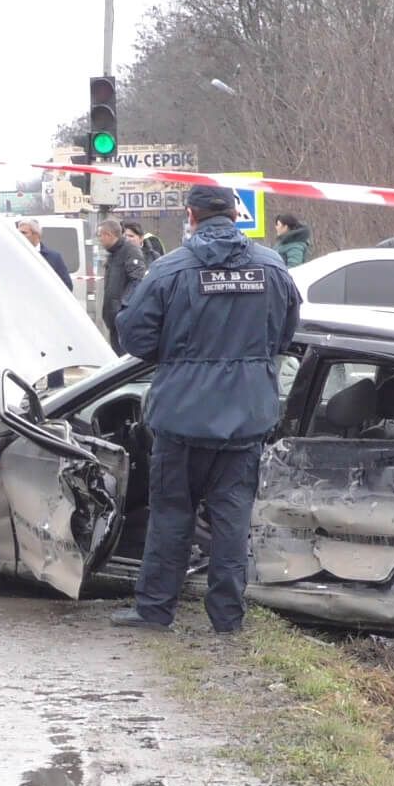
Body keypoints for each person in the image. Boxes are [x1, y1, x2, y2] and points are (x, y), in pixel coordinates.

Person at [111, 185, 302, 635]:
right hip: (246, 417)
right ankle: (227, 618)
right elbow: (286, 334)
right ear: (237, 215)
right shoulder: (273, 268)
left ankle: (155, 611)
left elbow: (134, 340)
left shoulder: (170, 269)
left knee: (172, 514)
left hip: (182, 416)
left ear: (190, 216)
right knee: (232, 519)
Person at [16, 218, 75, 388]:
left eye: (23, 232)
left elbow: (66, 285)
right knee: (27, 358)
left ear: (36, 235)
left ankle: (56, 394)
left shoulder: (53, 258)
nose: (19, 235)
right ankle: (28, 393)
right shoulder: (15, 255)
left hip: (49, 317)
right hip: (24, 317)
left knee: (54, 357)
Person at [98, 218, 148, 350]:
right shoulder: (113, 254)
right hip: (113, 318)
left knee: (124, 358)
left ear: (108, 235)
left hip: (123, 318)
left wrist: (124, 308)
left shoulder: (130, 251)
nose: (100, 240)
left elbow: (137, 280)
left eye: (100, 235)